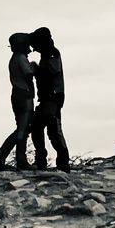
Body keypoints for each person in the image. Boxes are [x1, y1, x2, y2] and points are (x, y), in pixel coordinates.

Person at [29, 26, 70, 171]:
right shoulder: (48, 53)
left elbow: (51, 72)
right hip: (48, 98)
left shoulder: (51, 53)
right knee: (37, 128)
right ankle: (42, 160)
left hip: (52, 98)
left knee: (53, 131)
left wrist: (36, 70)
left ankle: (63, 162)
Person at [0, 32, 38, 169]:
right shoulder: (20, 58)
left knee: (21, 127)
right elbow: (28, 73)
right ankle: (19, 159)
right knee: (23, 128)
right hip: (24, 95)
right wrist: (35, 67)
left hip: (17, 95)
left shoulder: (14, 59)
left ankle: (5, 152)